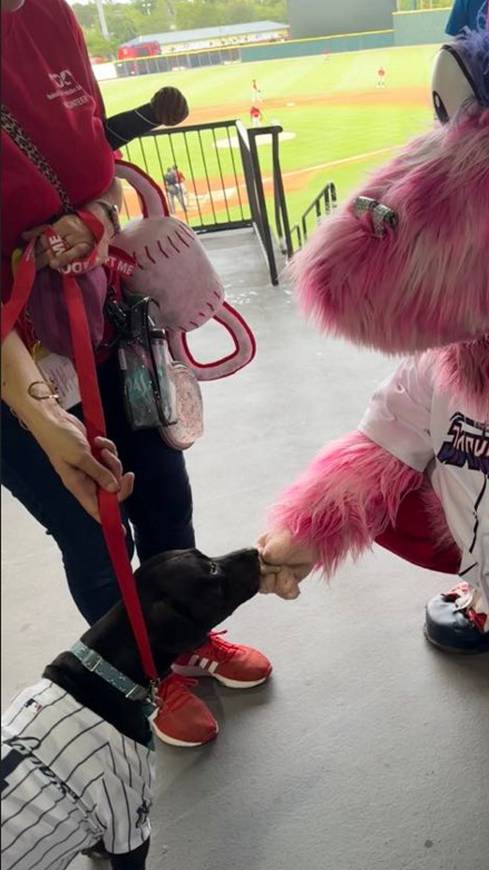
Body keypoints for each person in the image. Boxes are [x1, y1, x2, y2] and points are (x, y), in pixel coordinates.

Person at [1, 0, 271, 748]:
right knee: (92, 529)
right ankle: (139, 675)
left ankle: (182, 640)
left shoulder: (47, 15)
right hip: (16, 362)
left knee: (161, 493)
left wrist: (92, 218)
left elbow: (101, 175)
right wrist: (50, 423)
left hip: (104, 323)